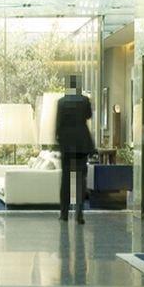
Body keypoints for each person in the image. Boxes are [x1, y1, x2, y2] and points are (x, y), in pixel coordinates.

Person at [55, 74, 95, 224]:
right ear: (78, 86)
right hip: (82, 145)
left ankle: (64, 213)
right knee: (80, 180)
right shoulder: (84, 101)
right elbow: (89, 116)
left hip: (67, 145)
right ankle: (79, 214)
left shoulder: (61, 102)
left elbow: (58, 124)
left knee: (66, 180)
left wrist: (58, 140)